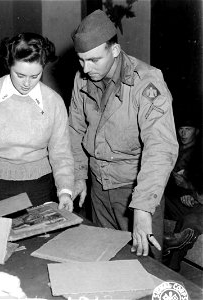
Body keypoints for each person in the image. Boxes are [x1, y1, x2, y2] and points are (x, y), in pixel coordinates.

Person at [69, 10, 179, 260]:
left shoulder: (147, 82)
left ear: (115, 50)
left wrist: (142, 207)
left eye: (94, 60)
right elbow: (75, 130)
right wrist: (78, 175)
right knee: (104, 262)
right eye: (81, 60)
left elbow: (160, 147)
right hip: (98, 188)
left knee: (144, 268)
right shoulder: (82, 79)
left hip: (135, 188)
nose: (85, 69)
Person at [0, 32, 74, 212]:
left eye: (35, 76)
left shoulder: (54, 102)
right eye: (20, 75)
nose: (26, 83)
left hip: (40, 187)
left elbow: (61, 153)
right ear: (9, 64)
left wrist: (64, 192)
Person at [163, 116, 202, 271]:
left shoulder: (197, 153)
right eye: (181, 129)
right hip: (184, 198)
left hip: (194, 203)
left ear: (196, 132)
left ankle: (171, 267)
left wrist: (191, 191)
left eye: (188, 129)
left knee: (191, 219)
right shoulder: (175, 148)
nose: (184, 133)